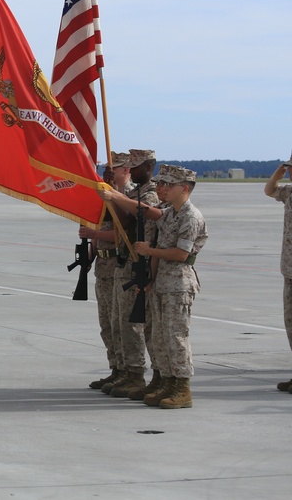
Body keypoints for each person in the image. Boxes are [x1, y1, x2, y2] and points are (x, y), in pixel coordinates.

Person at [135, 165, 207, 408]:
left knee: (176, 336)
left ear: (184, 189)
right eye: (161, 184)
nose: (162, 189)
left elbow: (180, 254)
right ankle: (167, 381)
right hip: (162, 283)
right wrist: (150, 280)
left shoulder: (190, 216)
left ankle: (182, 387)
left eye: (168, 185)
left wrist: (149, 251)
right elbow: (159, 246)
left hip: (179, 284)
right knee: (160, 336)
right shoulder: (169, 213)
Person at [98, 149, 161, 398]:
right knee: (118, 323)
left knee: (136, 325)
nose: (132, 170)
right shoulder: (133, 193)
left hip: (141, 263)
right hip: (125, 262)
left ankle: (136, 374)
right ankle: (124, 370)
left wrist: (114, 195)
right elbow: (122, 221)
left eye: (136, 166)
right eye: (130, 166)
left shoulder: (151, 194)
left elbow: (139, 214)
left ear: (149, 166)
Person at [79, 151, 132, 390]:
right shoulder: (104, 197)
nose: (110, 173)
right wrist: (89, 255)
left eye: (116, 168)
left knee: (121, 324)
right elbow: (97, 232)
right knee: (107, 324)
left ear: (127, 170)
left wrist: (95, 235)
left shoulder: (128, 198)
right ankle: (116, 368)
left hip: (119, 265)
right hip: (103, 266)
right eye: (107, 169)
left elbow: (125, 233)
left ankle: (128, 371)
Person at [264, 158, 292, 393]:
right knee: (290, 323)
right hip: (289, 269)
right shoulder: (289, 192)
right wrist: (278, 173)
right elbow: (269, 190)